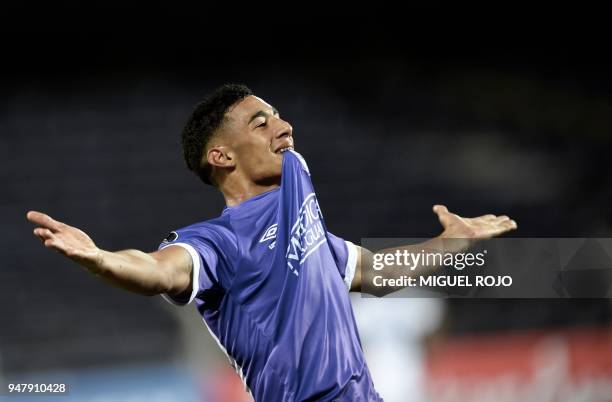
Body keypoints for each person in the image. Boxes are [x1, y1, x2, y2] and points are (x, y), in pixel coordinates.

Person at [26, 84, 517, 401]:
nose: (283, 127)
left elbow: (375, 272)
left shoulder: (304, 222)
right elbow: (158, 269)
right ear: (220, 155)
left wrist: (452, 241)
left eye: (279, 116)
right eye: (260, 123)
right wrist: (101, 259)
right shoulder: (220, 241)